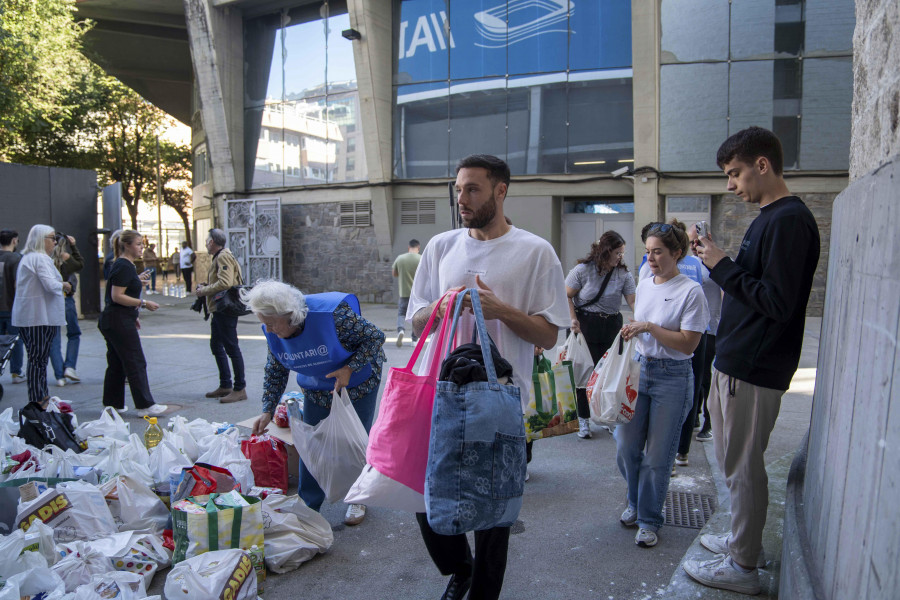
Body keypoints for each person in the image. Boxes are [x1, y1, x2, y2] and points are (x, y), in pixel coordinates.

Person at [408, 154, 570, 600]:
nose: (462, 198)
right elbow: (415, 320)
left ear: (501, 191)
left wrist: (500, 311)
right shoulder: (440, 247)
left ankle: (481, 592)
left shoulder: (535, 252)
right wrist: (443, 307)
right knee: (426, 497)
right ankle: (459, 569)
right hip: (441, 392)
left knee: (494, 513)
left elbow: (551, 335)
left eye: (473, 189)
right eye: (458, 188)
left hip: (500, 397)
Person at [683, 126, 820, 595]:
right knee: (733, 463)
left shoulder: (789, 220)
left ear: (763, 165)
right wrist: (718, 262)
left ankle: (743, 566)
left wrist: (720, 264)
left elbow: (777, 302)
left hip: (753, 367)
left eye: (735, 173)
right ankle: (746, 543)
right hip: (737, 361)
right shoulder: (770, 217)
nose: (731, 185)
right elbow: (754, 287)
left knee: (742, 467)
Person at [246, 280, 386, 526]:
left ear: (289, 316)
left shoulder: (333, 317)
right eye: (264, 324)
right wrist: (267, 410)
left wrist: (349, 369)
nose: (268, 330)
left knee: (354, 441)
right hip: (317, 386)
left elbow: (375, 338)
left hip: (358, 383)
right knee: (312, 443)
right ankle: (309, 503)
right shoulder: (274, 332)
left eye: (270, 323)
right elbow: (275, 368)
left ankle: (358, 497)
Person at [616, 222, 709, 549]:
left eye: (658, 252)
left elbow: (687, 345)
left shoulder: (690, 291)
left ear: (677, 253)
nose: (651, 258)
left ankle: (649, 519)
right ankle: (636, 501)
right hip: (640, 370)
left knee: (657, 457)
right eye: (648, 251)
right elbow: (643, 325)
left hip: (673, 377)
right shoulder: (644, 283)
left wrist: (650, 328)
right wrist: (635, 330)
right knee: (625, 446)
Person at [565, 231, 636, 439]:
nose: (620, 257)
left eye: (622, 253)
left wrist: (641, 320)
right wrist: (572, 320)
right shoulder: (582, 271)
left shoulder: (624, 274)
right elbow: (566, 295)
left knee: (609, 373)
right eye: (617, 253)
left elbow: (633, 301)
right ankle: (584, 419)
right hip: (586, 324)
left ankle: (606, 417)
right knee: (585, 373)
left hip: (612, 325)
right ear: (606, 251)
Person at [99, 229, 170, 416]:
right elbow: (116, 296)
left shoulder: (124, 265)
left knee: (117, 362)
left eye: (142, 244)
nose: (141, 248)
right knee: (135, 361)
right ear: (127, 245)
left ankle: (112, 404)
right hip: (118, 320)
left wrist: (136, 282)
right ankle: (145, 405)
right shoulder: (123, 265)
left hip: (116, 319)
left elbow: (121, 289)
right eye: (138, 244)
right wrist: (143, 303)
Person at [11, 225, 71, 406]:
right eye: (52, 238)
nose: (54, 242)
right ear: (41, 239)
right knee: (38, 360)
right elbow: (51, 284)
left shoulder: (29, 257)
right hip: (38, 317)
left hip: (34, 316)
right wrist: (65, 285)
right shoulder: (39, 258)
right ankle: (38, 398)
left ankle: (41, 396)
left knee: (37, 359)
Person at [195, 229, 247, 404]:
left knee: (231, 348)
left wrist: (204, 290)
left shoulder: (223, 256)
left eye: (207, 240)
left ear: (212, 242)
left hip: (224, 310)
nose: (205, 243)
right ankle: (225, 385)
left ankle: (240, 389)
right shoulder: (221, 256)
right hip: (219, 309)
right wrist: (207, 285)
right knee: (216, 346)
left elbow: (226, 282)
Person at [687, 222, 722, 446]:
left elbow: (726, 292)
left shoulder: (716, 261)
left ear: (706, 237)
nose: (693, 246)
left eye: (696, 241)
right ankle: (696, 417)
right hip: (694, 327)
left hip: (713, 327)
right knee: (695, 375)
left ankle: (709, 422)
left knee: (705, 378)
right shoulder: (690, 263)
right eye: (689, 242)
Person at [48, 234, 84, 385]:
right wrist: (74, 246)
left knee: (54, 338)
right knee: (73, 333)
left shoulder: (46, 259)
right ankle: (69, 367)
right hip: (66, 299)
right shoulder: (66, 258)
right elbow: (80, 264)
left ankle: (59, 376)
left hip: (50, 300)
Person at [0, 230, 26, 385]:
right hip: (12, 307)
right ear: (15, 240)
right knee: (15, 340)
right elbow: (18, 285)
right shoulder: (17, 259)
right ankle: (16, 372)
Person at [392, 239, 421, 347]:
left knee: (401, 313)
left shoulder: (400, 258)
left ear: (409, 248)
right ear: (418, 248)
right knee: (415, 316)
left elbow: (394, 273)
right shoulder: (421, 258)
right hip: (417, 294)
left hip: (403, 292)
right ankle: (414, 339)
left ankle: (401, 330)